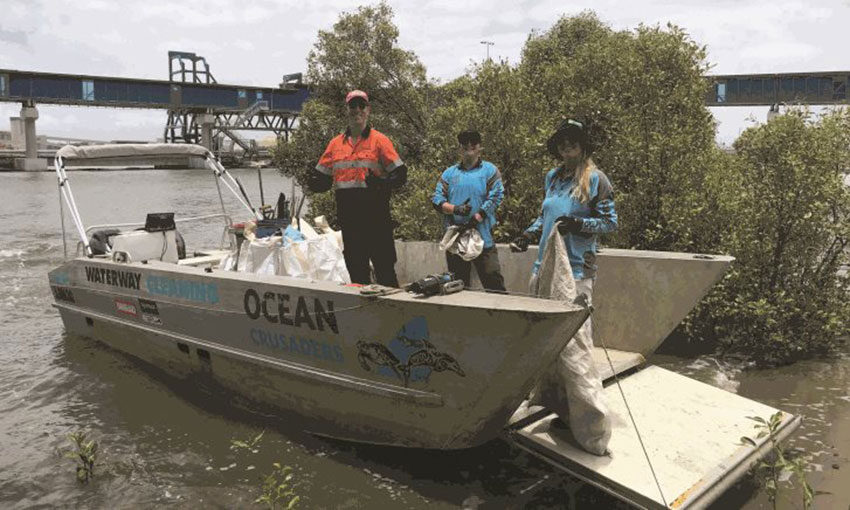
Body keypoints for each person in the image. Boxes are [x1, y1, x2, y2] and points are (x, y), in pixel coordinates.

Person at [511, 117, 617, 456]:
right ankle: (559, 409)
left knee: (577, 349)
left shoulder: (596, 179)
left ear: (583, 145)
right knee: (544, 343)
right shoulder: (552, 177)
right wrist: (528, 233)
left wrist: (579, 223)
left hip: (576, 273)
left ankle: (594, 430)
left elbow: (610, 223)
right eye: (561, 142)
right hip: (546, 267)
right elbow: (546, 218)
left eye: (572, 141)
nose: (566, 147)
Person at [308, 90, 407, 287]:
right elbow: (321, 179)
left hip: (377, 218)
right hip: (350, 221)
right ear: (347, 110)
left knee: (385, 270)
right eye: (353, 106)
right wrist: (312, 179)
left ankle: (393, 314)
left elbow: (401, 175)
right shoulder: (335, 144)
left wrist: (382, 184)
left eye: (362, 105)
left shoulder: (380, 140)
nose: (357, 110)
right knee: (357, 273)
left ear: (368, 110)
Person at [432, 130, 506, 292]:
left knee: (494, 285)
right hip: (455, 240)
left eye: (474, 142)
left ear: (480, 147)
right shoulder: (449, 173)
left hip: (483, 237)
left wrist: (477, 217)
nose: (469, 145)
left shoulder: (490, 170)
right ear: (459, 148)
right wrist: (456, 209)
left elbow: (496, 196)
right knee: (458, 287)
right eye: (464, 142)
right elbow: (436, 199)